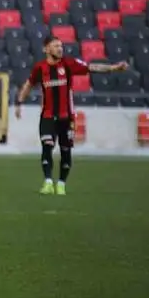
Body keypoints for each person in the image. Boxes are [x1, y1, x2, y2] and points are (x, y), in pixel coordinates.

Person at [16, 37, 127, 195]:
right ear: (46, 49)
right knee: (47, 147)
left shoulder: (68, 64)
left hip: (66, 117)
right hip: (47, 116)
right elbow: (28, 84)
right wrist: (19, 102)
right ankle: (48, 182)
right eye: (55, 46)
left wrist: (114, 68)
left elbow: (92, 67)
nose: (60, 49)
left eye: (61, 46)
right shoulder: (40, 68)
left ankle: (61, 184)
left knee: (65, 150)